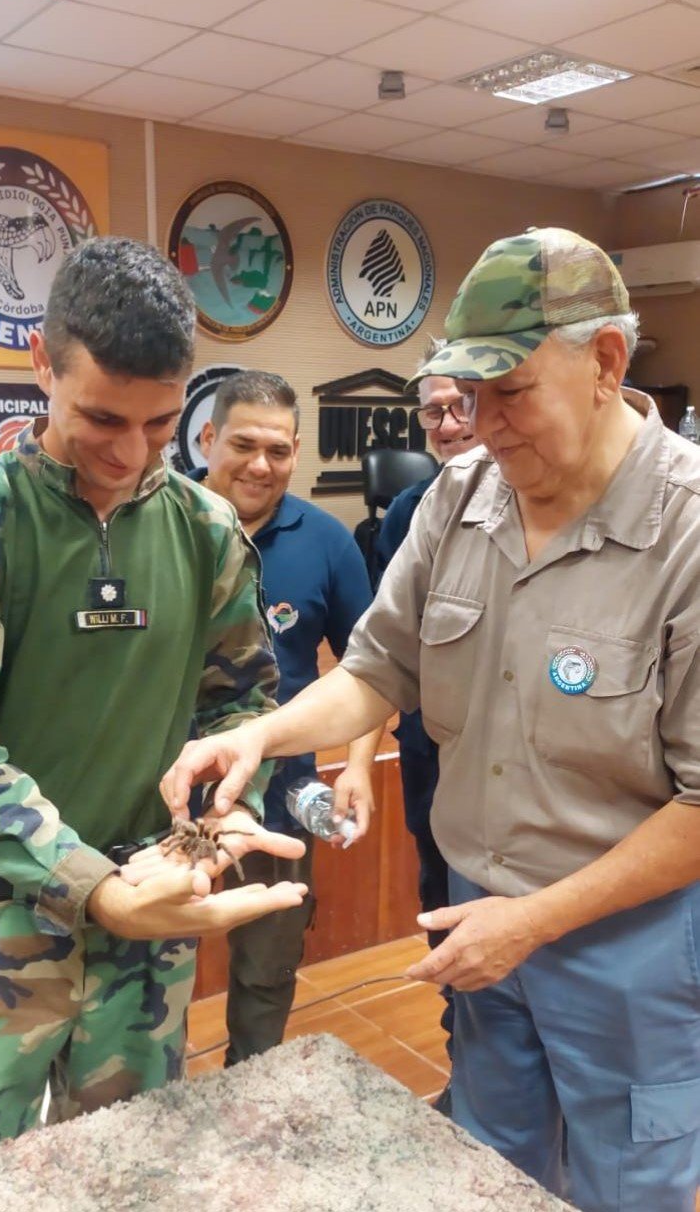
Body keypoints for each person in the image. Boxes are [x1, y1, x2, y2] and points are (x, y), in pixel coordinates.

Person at [161, 226, 700, 1212]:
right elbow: (376, 668)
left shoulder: (687, 530)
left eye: (511, 391)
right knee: (490, 1171)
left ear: (606, 363)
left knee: (630, 1185)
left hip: (626, 948)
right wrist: (260, 734)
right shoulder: (459, 501)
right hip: (475, 917)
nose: (482, 425)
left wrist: (529, 925)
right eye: (469, 393)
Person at [0, 236, 308, 1175]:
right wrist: (93, 887)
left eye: (157, 426)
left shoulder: (206, 531)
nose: (126, 454)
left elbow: (241, 712)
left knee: (134, 1174)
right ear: (42, 363)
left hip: (146, 924)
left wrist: (202, 837)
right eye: (100, 418)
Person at [193, 369, 380, 1066]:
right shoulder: (158, 521)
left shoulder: (328, 542)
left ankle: (253, 1092)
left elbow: (373, 666)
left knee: (267, 968)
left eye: (278, 451)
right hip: (158, 802)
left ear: (297, 451)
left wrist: (359, 763)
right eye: (243, 445)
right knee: (144, 976)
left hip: (276, 804)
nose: (260, 466)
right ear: (208, 438)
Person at [375, 339, 476, 1109]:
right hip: (426, 752)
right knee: (440, 906)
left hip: (506, 764)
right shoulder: (413, 512)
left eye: (459, 407)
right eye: (431, 411)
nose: (445, 425)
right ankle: (467, 1072)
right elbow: (382, 652)